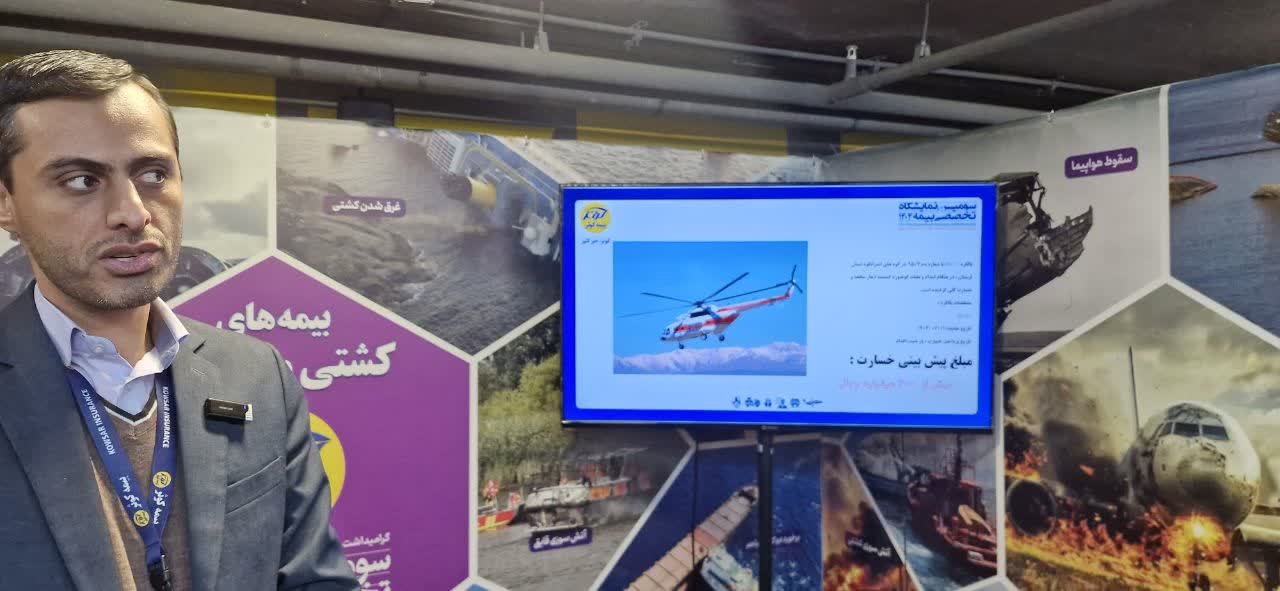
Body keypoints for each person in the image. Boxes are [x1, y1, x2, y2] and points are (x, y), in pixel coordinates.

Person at [0, 50, 358, 590]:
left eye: (152, 174)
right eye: (80, 181)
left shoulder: (258, 375)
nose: (133, 213)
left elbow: (316, 579)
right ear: (6, 203)